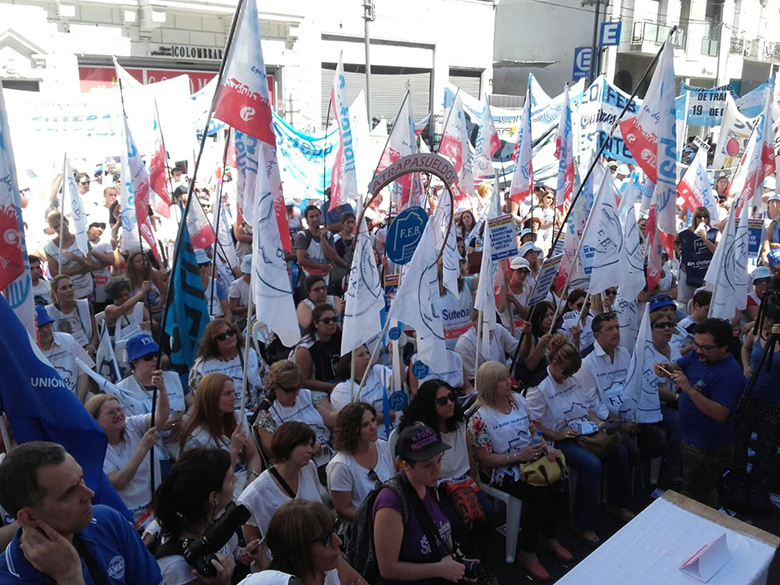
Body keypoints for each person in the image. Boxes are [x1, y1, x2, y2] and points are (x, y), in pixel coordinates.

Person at [0, 441, 163, 584]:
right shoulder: (7, 578)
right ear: (29, 517)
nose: (89, 494)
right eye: (69, 493)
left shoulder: (108, 521)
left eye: (81, 479)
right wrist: (69, 578)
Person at [526, 335, 632, 546]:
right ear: (553, 363)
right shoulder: (539, 388)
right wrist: (556, 435)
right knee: (591, 465)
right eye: (565, 372)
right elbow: (532, 424)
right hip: (556, 437)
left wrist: (599, 425)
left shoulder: (572, 379)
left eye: (572, 372)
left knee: (619, 450)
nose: (568, 376)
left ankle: (616, 503)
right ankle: (582, 523)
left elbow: (587, 409)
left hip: (581, 429)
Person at [468, 363, 570, 581]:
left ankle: (548, 535)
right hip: (501, 471)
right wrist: (517, 457)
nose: (509, 382)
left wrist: (542, 444)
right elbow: (485, 459)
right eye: (502, 380)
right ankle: (528, 553)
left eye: (508, 377)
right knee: (538, 497)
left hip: (530, 460)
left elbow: (532, 428)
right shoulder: (479, 419)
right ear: (490, 385)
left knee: (560, 483)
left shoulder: (518, 401)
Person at [655, 318, 746, 507]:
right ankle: (714, 517)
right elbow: (677, 366)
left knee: (692, 496)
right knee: (707, 487)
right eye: (696, 344)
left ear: (724, 347)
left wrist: (689, 390)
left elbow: (721, 414)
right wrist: (665, 368)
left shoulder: (730, 374)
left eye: (705, 347)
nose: (698, 350)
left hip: (707, 447)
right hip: (691, 439)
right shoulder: (699, 355)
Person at [372, 424, 467, 585]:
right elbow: (387, 568)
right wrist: (440, 569)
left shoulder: (428, 484)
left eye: (439, 460)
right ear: (406, 465)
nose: (437, 470)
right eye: (427, 465)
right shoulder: (390, 503)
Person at [87, 373, 169, 529]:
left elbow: (160, 418)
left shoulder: (132, 425)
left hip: (154, 510)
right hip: (127, 518)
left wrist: (162, 390)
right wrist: (143, 447)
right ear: (95, 420)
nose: (118, 415)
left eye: (119, 410)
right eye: (111, 413)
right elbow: (119, 482)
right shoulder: (95, 449)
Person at [154, 448, 241, 585]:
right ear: (214, 497)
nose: (236, 479)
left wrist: (241, 553)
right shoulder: (178, 568)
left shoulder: (211, 518)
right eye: (230, 479)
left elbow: (229, 548)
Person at [238, 422, 323, 541]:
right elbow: (253, 540)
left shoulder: (309, 467)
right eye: (304, 444)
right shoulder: (254, 494)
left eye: (311, 445)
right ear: (287, 445)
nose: (310, 450)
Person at [249, 500, 366, 585]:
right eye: (326, 538)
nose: (338, 542)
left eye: (334, 530)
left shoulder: (332, 565)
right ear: (297, 551)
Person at [180, 373, 262, 487]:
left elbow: (253, 455)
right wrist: (234, 449)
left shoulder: (238, 418)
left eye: (233, 392)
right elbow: (215, 480)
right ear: (211, 398)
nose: (234, 398)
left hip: (246, 480)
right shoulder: (196, 437)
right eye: (227, 394)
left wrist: (252, 479)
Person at [255, 360, 336, 468]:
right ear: (275, 387)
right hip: (298, 467)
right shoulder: (267, 412)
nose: (296, 393)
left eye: (299, 387)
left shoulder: (305, 395)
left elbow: (328, 417)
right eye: (290, 390)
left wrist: (348, 411)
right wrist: (306, 447)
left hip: (326, 456)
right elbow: (271, 450)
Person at [327, 402, 395, 523]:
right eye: (365, 425)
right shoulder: (340, 465)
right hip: (364, 526)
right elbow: (343, 509)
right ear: (352, 430)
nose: (373, 427)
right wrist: (378, 517)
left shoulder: (383, 446)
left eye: (373, 420)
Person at [736, 306, 780, 489]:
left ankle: (758, 480)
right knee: (741, 434)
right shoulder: (756, 332)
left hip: (773, 399)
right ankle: (737, 473)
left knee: (766, 442)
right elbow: (745, 349)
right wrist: (746, 366)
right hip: (750, 392)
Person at [189, 319, 269, 410]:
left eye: (230, 333)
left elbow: (268, 384)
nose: (228, 337)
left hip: (252, 411)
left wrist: (260, 406)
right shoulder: (201, 366)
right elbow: (197, 398)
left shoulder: (250, 354)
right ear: (212, 342)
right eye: (221, 337)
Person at [116, 334, 191, 427]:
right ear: (134, 362)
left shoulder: (174, 377)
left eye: (157, 354)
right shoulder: (121, 390)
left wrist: (186, 419)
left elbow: (193, 404)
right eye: (148, 356)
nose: (155, 359)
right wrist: (159, 426)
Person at [331, 345, 401, 430]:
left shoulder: (377, 370)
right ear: (349, 363)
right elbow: (356, 419)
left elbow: (399, 381)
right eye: (361, 355)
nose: (367, 357)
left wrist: (397, 355)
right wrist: (388, 416)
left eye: (367, 353)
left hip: (395, 427)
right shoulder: (342, 389)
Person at [35, 305, 93, 402]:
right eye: (40, 327)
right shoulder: (29, 350)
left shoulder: (67, 340)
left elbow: (83, 372)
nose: (45, 330)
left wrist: (78, 401)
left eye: (47, 325)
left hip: (76, 397)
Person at [455, 307, 518, 383]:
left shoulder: (499, 330)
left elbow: (519, 352)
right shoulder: (464, 344)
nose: (489, 320)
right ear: (474, 320)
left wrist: (527, 335)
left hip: (506, 382)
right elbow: (472, 380)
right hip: (485, 387)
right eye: (484, 317)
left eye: (491, 315)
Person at [44, 211, 95, 300]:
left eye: (61, 224)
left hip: (85, 287)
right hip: (65, 291)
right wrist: (80, 270)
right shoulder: (50, 247)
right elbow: (54, 273)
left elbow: (89, 267)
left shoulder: (82, 240)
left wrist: (77, 259)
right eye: (56, 227)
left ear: (67, 222)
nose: (59, 228)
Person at [294, 304, 343, 393]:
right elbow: (304, 381)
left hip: (338, 383)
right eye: (326, 321)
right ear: (316, 324)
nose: (332, 323)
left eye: (334, 319)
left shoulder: (340, 336)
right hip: (314, 390)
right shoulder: (305, 348)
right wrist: (333, 386)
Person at [675, 207, 718, 305]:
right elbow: (673, 241)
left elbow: (717, 251)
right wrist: (680, 252)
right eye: (699, 217)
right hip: (688, 271)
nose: (702, 219)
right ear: (695, 218)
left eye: (705, 217)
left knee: (706, 301)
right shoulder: (685, 233)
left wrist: (706, 240)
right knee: (685, 302)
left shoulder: (714, 232)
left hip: (706, 272)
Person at [46, 275, 98, 354]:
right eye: (64, 288)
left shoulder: (86, 306)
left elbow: (95, 335)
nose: (69, 290)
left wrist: (90, 348)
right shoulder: (48, 312)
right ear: (55, 293)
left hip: (87, 351)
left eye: (71, 286)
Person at [295, 205, 344, 285]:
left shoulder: (328, 235)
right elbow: (301, 260)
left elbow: (332, 256)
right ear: (307, 219)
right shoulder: (302, 235)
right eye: (311, 217)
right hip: (308, 278)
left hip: (325, 277)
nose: (315, 219)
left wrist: (323, 239)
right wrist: (321, 266)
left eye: (317, 215)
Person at [516, 300, 555, 388]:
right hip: (537, 383)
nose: (551, 318)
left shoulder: (557, 332)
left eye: (552, 314)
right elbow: (530, 365)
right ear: (538, 318)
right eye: (546, 316)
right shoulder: (532, 337)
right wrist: (541, 344)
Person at [104, 276, 152, 342]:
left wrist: (149, 324)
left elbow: (154, 324)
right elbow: (124, 308)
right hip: (120, 345)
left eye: (126, 294)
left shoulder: (139, 306)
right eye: (120, 296)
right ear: (114, 297)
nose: (124, 298)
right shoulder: (109, 309)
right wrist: (142, 293)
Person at [408, 348, 472, 397]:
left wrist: (473, 397)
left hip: (455, 398)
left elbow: (467, 387)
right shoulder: (416, 359)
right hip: (428, 400)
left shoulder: (455, 357)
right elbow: (415, 391)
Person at [125, 250, 166, 319]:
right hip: (140, 313)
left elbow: (163, 293)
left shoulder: (155, 274)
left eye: (145, 260)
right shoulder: (127, 280)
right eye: (138, 261)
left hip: (159, 309)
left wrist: (158, 306)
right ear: (132, 265)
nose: (142, 263)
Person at [195, 249, 232, 322]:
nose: (203, 268)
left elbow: (228, 314)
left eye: (205, 264)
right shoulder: (188, 287)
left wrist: (224, 326)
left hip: (218, 324)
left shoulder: (216, 284)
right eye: (199, 265)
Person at [496, 257, 532, 330]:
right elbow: (501, 309)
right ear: (512, 271)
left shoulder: (529, 289)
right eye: (519, 271)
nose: (522, 274)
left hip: (523, 329)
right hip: (507, 329)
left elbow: (527, 315)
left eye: (525, 272)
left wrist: (515, 301)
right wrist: (505, 284)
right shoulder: (503, 289)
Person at [88, 222, 114, 312]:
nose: (100, 229)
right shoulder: (79, 243)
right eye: (96, 226)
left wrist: (91, 251)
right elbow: (85, 265)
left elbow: (110, 260)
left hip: (103, 283)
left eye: (102, 227)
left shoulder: (105, 243)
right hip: (87, 285)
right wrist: (100, 264)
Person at [228, 254, 252, 328]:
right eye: (249, 274)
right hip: (244, 321)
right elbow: (232, 308)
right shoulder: (236, 285)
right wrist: (249, 308)